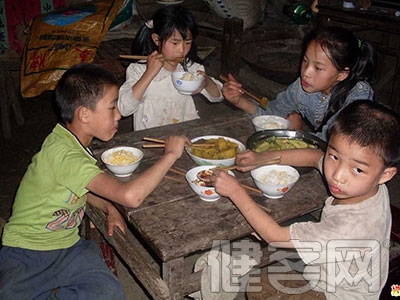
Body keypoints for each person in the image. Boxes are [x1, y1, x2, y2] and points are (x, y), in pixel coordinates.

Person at [0, 63, 190, 299]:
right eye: (112, 107)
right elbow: (131, 197)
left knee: (109, 293)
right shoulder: (65, 155)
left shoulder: (69, 140)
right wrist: (171, 154)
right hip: (28, 252)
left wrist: (109, 206)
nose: (119, 114)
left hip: (69, 247)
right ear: (84, 114)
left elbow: (80, 188)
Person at [211, 100, 400, 299]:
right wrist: (262, 158)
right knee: (269, 275)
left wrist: (235, 191)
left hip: (336, 295)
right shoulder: (373, 182)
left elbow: (274, 236)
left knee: (260, 286)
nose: (337, 175)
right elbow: (314, 155)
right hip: (348, 275)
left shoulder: (348, 228)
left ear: (385, 175)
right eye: (334, 156)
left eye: (358, 169)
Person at [222, 26, 376, 141]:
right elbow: (273, 115)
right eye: (305, 61)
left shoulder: (358, 97)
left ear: (342, 74)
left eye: (318, 68)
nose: (306, 72)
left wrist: (296, 132)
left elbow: (332, 144)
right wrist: (239, 100)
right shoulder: (302, 87)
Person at [118, 5, 223, 131]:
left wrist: (206, 82)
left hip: (185, 133)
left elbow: (217, 96)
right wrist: (149, 73)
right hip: (150, 137)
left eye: (188, 42)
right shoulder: (138, 69)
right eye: (175, 43)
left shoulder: (190, 68)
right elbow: (124, 109)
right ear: (157, 40)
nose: (182, 50)